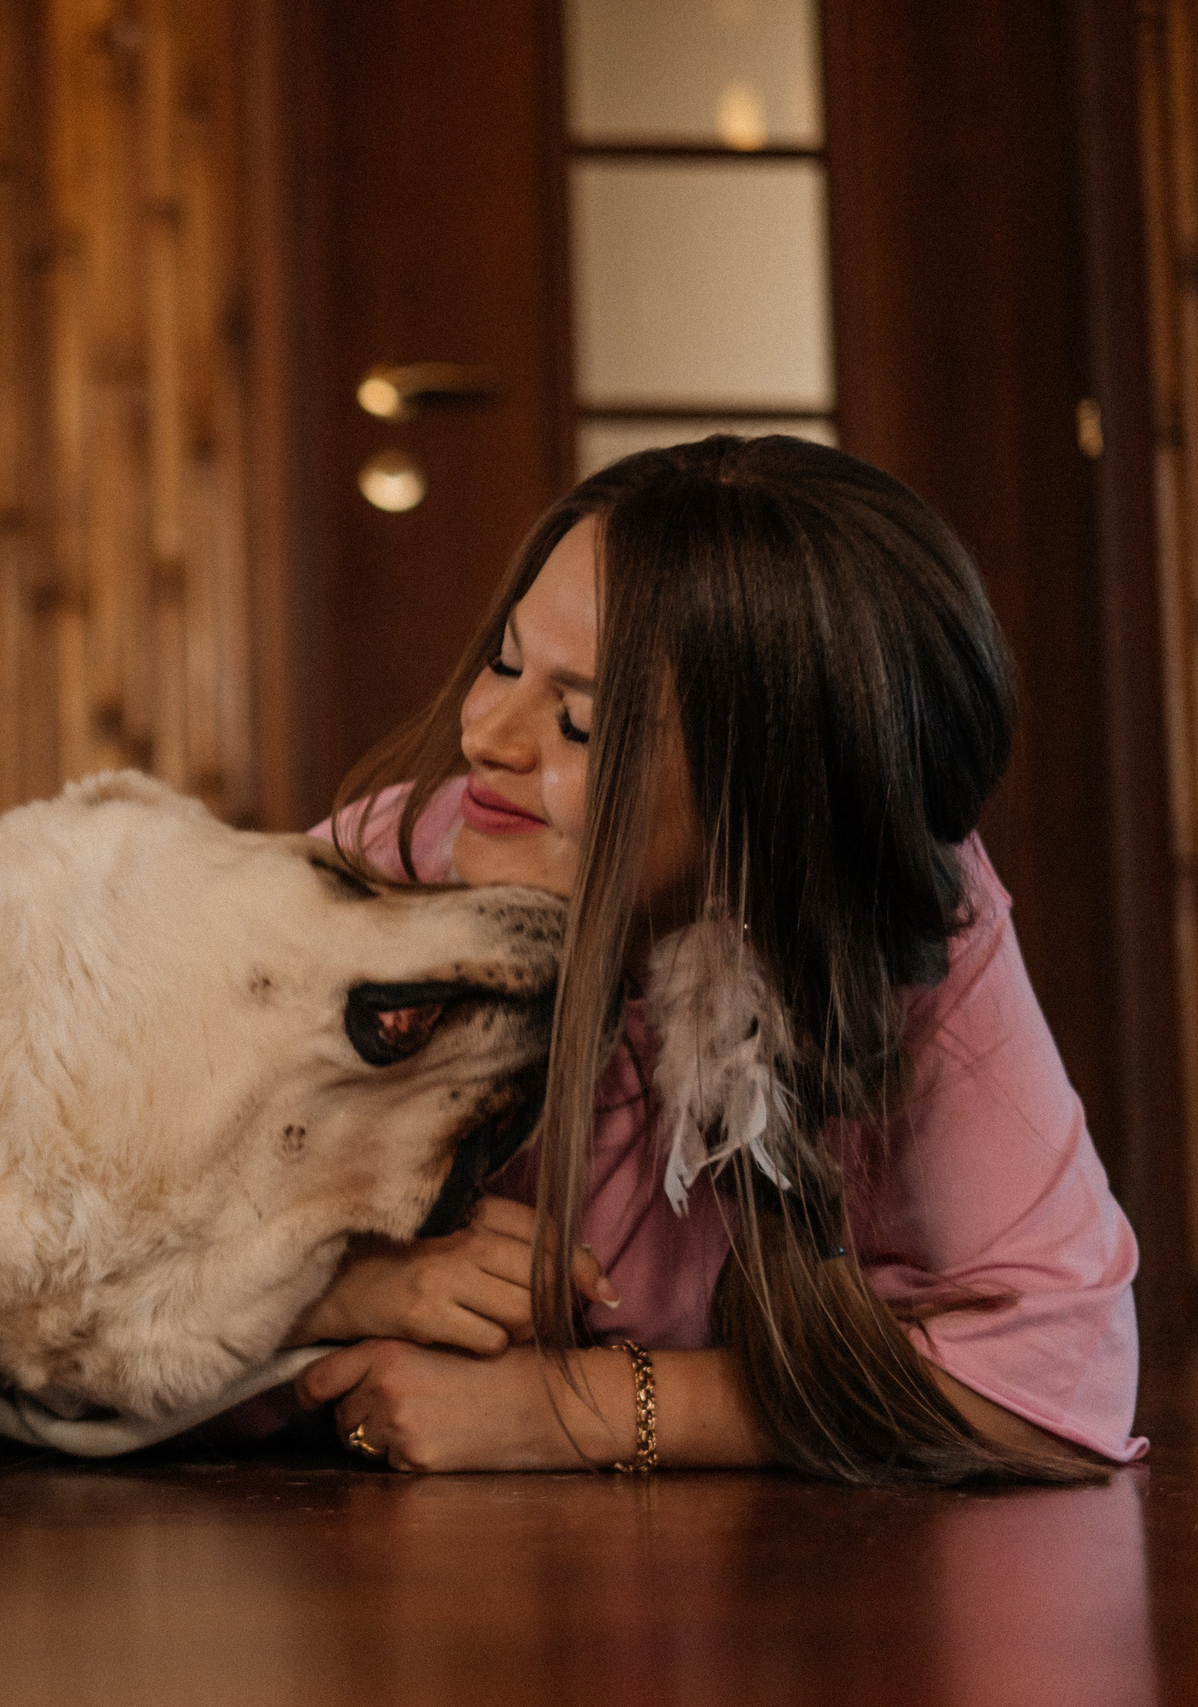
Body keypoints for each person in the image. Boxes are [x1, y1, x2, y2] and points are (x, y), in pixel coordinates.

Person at [281, 435, 1140, 1484]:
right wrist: (344, 1291)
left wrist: (593, 1408)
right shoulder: (387, 876)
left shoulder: (890, 914)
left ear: (764, 807)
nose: (487, 738)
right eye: (503, 663)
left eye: (577, 722)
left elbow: (1056, 1379)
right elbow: (100, 1276)